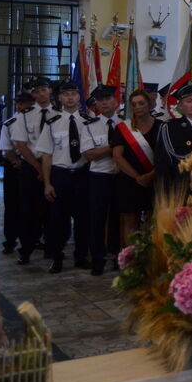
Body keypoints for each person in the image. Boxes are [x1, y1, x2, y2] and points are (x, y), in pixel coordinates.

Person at [36, 80, 91, 273]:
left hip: (82, 174)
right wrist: (47, 183)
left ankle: (81, 256)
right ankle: (57, 258)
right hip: (60, 175)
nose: (70, 98)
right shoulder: (52, 123)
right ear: (59, 98)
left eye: (73, 94)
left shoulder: (88, 121)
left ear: (79, 97)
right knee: (58, 219)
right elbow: (46, 155)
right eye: (65, 95)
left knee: (83, 218)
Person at [9, 77, 56, 265]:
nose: (40, 94)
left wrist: (46, 170)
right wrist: (38, 167)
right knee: (28, 211)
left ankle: (52, 247)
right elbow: (20, 143)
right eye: (36, 92)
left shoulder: (59, 113)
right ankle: (26, 250)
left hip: (53, 165)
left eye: (43, 90)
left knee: (52, 211)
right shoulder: (25, 115)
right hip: (31, 166)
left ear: (50, 91)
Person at [80, 85, 122, 276]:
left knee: (117, 218)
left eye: (108, 99)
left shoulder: (125, 123)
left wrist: (105, 150)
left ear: (115, 101)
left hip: (120, 177)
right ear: (96, 104)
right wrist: (113, 146)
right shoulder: (89, 126)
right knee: (97, 220)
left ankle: (117, 257)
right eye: (101, 100)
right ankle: (97, 259)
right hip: (99, 178)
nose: (105, 102)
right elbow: (90, 155)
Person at [111, 89, 159, 247]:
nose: (138, 107)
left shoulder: (162, 126)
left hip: (154, 180)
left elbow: (165, 157)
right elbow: (118, 156)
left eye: (141, 103)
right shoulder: (122, 128)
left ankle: (151, 259)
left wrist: (149, 176)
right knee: (130, 220)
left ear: (149, 104)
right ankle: (131, 261)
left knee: (154, 220)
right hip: (129, 180)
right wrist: (138, 177)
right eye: (134, 104)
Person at [154, 83, 192, 197]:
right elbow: (162, 164)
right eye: (189, 101)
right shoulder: (170, 128)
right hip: (181, 187)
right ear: (180, 106)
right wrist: (165, 195)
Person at [0, 92, 34, 255]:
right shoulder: (9, 123)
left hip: (31, 165)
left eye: (23, 104)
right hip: (14, 166)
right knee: (12, 205)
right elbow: (7, 148)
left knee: (30, 205)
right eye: (18, 104)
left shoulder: (36, 121)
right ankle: (10, 240)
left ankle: (33, 237)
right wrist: (16, 162)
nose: (20, 107)